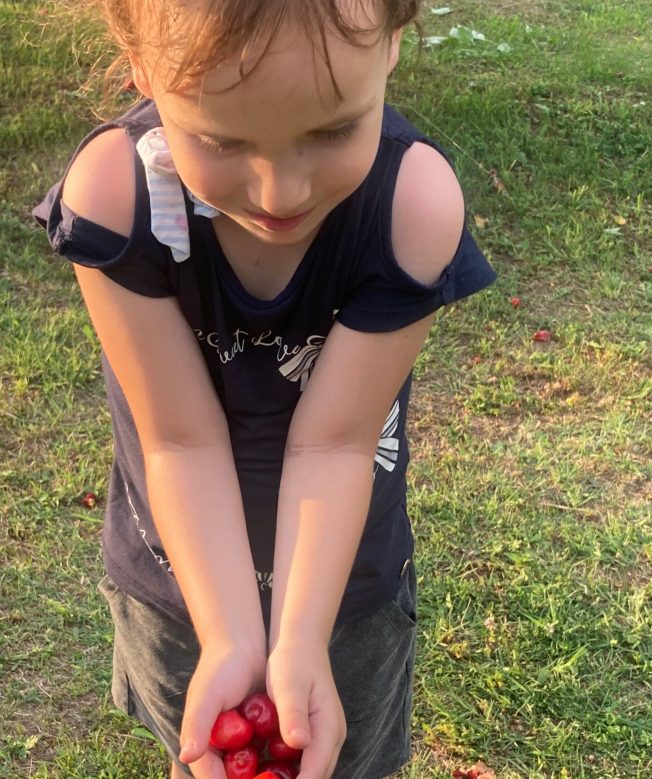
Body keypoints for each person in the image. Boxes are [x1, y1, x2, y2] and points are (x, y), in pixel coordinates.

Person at [33, 1, 496, 776]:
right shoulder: (117, 196)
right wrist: (230, 637)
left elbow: (336, 442)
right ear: (139, 59)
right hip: (181, 585)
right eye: (221, 141)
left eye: (332, 130)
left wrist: (300, 636)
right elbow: (180, 440)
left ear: (392, 40)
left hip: (342, 594)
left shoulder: (412, 208)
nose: (281, 193)